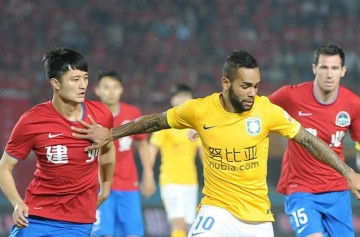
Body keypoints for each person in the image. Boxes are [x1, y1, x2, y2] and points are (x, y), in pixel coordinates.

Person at [71, 49, 360, 237]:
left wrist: (348, 173)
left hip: (258, 219)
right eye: (245, 86)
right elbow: (154, 121)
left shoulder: (266, 110)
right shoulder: (199, 110)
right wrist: (110, 134)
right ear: (225, 83)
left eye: (257, 86)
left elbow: (310, 141)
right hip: (216, 210)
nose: (252, 93)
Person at [0, 47, 115, 237]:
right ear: (56, 83)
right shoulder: (32, 120)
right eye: (75, 79)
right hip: (35, 216)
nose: (83, 85)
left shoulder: (101, 115)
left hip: (78, 222)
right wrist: (17, 202)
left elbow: (109, 149)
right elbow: (4, 167)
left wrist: (106, 187)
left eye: (85, 78)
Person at [268, 43, 360, 237]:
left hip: (337, 191)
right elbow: (257, 111)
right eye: (324, 67)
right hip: (301, 190)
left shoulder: (352, 104)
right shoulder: (290, 96)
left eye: (334, 68)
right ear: (314, 68)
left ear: (343, 71)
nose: (329, 74)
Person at [91, 71, 155, 237]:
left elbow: (142, 144)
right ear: (97, 90)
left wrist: (148, 174)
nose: (111, 92)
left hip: (128, 184)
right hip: (98, 185)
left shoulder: (133, 113)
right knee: (103, 234)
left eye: (115, 87)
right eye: (106, 87)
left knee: (133, 233)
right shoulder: (90, 114)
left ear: (121, 89)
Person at [149, 84, 202, 237]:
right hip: (170, 181)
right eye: (179, 97)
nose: (183, 100)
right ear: (172, 100)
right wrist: (148, 175)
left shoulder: (195, 125)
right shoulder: (165, 123)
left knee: (188, 225)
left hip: (190, 181)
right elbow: (152, 149)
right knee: (177, 222)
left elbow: (203, 153)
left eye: (186, 96)